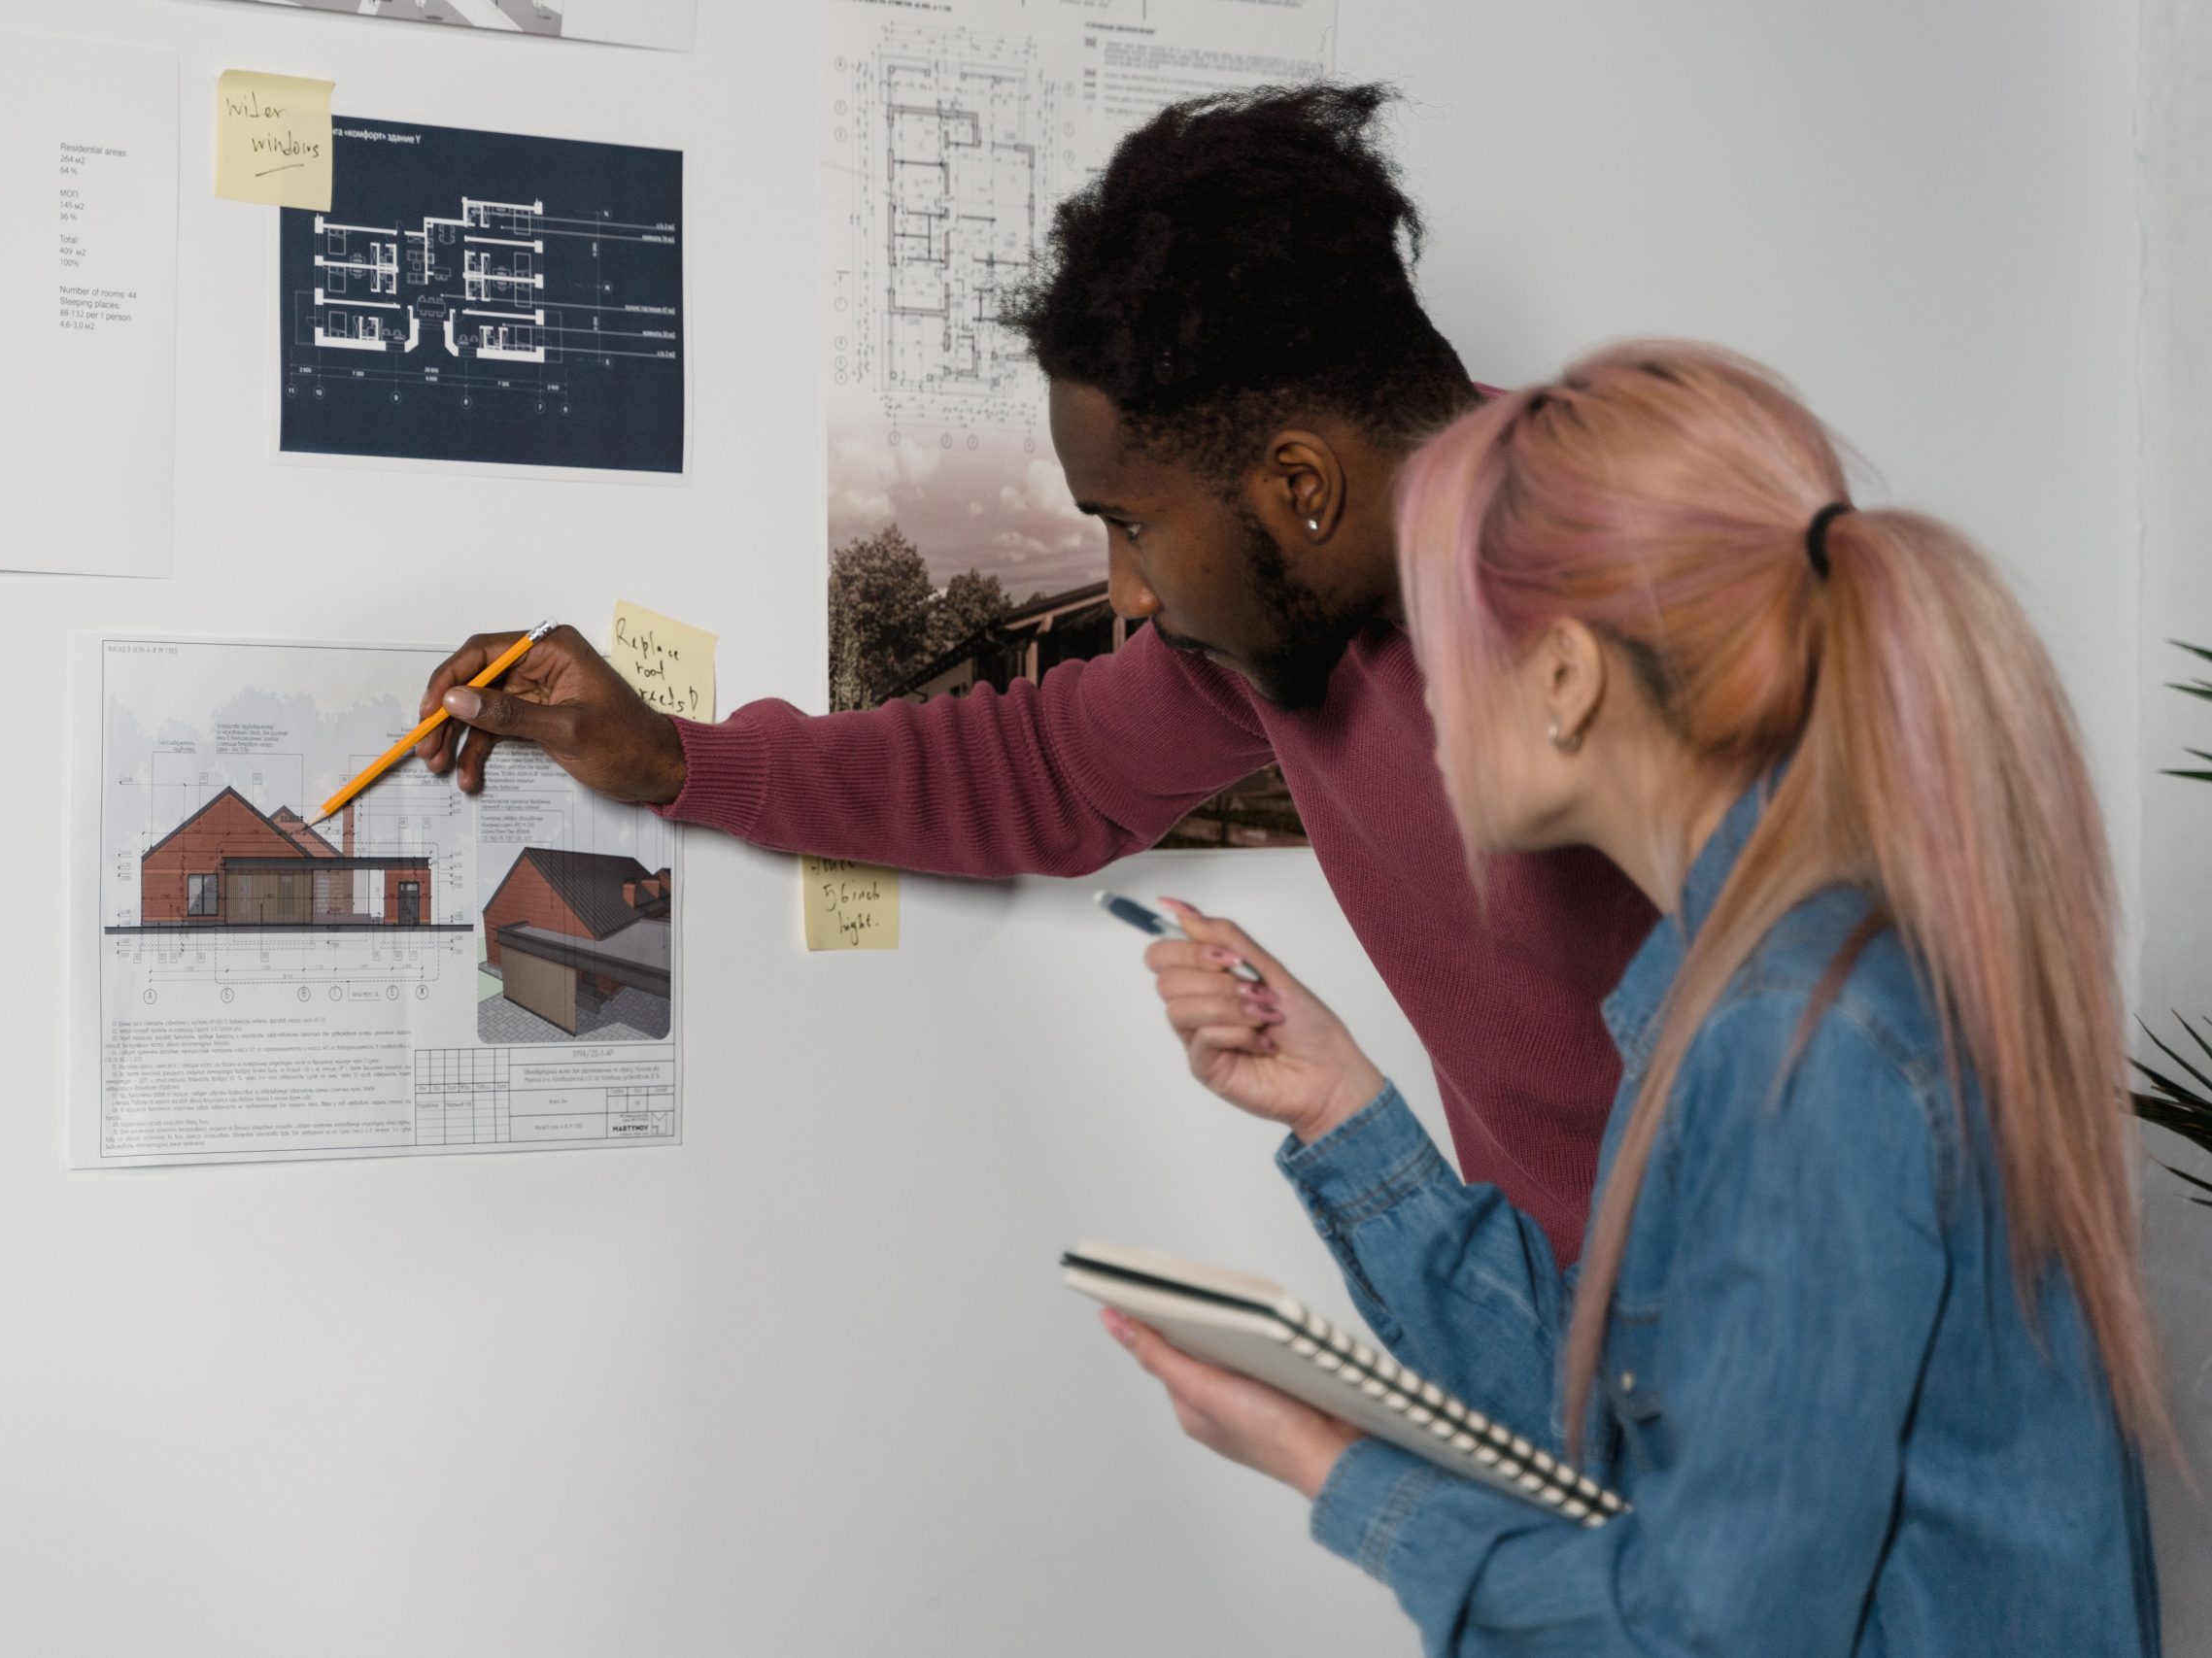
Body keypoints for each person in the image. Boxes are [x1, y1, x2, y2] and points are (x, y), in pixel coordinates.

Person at [414, 85, 1653, 1263]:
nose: (1127, 594)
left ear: (1300, 488)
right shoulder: (1297, 610)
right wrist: (677, 757)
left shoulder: (1662, 605)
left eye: (1132, 523)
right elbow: (1043, 765)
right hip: (1574, 1351)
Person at [1106, 342, 2163, 1653]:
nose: (1420, 706)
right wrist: (1341, 1105)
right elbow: (1630, 1438)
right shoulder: (1752, 983)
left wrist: (1335, 1468)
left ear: (1564, 678)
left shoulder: (1802, 1030)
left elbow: (1704, 1630)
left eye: (1435, 645)